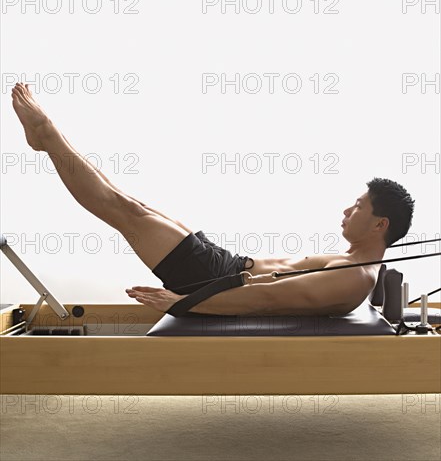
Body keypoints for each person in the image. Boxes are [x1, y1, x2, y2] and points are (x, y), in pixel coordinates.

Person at [10, 83, 415, 317]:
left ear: (381, 224)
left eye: (359, 206)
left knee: (123, 212)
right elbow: (269, 286)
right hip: (225, 265)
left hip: (210, 280)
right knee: (131, 204)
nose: (347, 209)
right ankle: (48, 140)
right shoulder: (356, 264)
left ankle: (46, 136)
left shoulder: (354, 276)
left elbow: (268, 298)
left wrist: (186, 302)